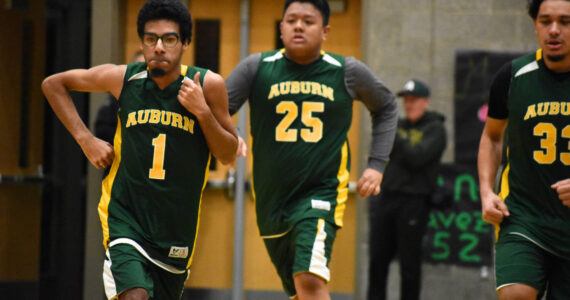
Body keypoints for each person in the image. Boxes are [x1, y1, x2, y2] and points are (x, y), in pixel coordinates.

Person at [41, 0, 238, 299]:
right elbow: (54, 84)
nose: (159, 47)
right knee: (135, 295)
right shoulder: (123, 78)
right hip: (125, 217)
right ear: (143, 42)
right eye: (150, 39)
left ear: (185, 42)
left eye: (169, 39)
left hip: (175, 227)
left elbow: (227, 153)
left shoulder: (208, 85)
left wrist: (203, 113)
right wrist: (86, 139)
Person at [226, 0, 398, 299]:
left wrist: (376, 164)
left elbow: (386, 107)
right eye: (291, 20)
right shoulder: (257, 67)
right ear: (281, 28)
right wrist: (233, 133)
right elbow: (217, 108)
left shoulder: (346, 71)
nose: (298, 26)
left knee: (308, 277)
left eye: (308, 21)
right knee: (299, 290)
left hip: (322, 193)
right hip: (271, 199)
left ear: (325, 30)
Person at [477, 0, 570, 299]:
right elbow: (492, 137)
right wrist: (486, 191)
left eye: (565, 22)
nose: (554, 30)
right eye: (546, 21)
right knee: (516, 294)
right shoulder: (512, 75)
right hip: (523, 219)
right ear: (534, 24)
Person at [367, 79, 446, 300]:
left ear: (426, 102)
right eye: (407, 101)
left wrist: (395, 138)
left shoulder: (435, 128)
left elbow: (417, 157)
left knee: (409, 265)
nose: (409, 105)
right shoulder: (399, 126)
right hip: (388, 198)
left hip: (414, 203)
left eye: (414, 100)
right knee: (377, 260)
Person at [94, 50, 145, 176]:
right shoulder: (119, 96)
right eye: (140, 68)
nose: (144, 74)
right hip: (121, 168)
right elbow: (101, 129)